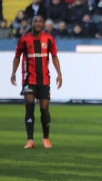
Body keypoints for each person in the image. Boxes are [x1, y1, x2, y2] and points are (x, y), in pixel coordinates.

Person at [10, 15, 63, 149]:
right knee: (29, 104)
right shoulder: (24, 39)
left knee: (44, 109)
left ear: (43, 24)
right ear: (31, 23)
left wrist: (59, 74)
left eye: (40, 21)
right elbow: (17, 57)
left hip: (44, 79)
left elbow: (55, 57)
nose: (37, 23)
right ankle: (30, 140)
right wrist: (13, 73)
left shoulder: (49, 39)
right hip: (29, 78)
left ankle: (46, 138)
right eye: (35, 21)